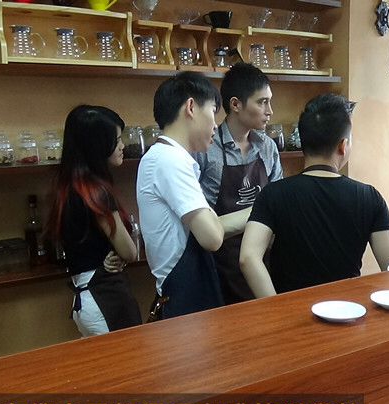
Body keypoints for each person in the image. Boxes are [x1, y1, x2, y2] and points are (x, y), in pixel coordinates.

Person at [239, 94, 389, 298]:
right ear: (343, 145)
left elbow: (248, 257)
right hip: (348, 309)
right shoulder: (370, 197)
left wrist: (275, 307)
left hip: (291, 310)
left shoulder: (273, 194)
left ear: (303, 143)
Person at [137, 72, 250, 319]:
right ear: (191, 107)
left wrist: (262, 208)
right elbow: (212, 237)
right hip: (184, 304)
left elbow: (213, 225)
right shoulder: (169, 160)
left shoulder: (167, 158)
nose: (215, 125)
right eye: (213, 111)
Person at [48, 105, 142, 336]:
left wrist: (113, 254)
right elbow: (130, 252)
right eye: (116, 140)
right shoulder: (96, 192)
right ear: (97, 146)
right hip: (103, 297)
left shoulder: (69, 187)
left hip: (86, 298)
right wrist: (120, 253)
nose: (122, 146)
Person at [194, 63, 283, 304]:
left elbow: (279, 204)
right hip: (218, 263)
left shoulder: (268, 147)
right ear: (235, 104)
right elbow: (200, 221)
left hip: (262, 260)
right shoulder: (206, 149)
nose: (270, 111)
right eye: (262, 102)